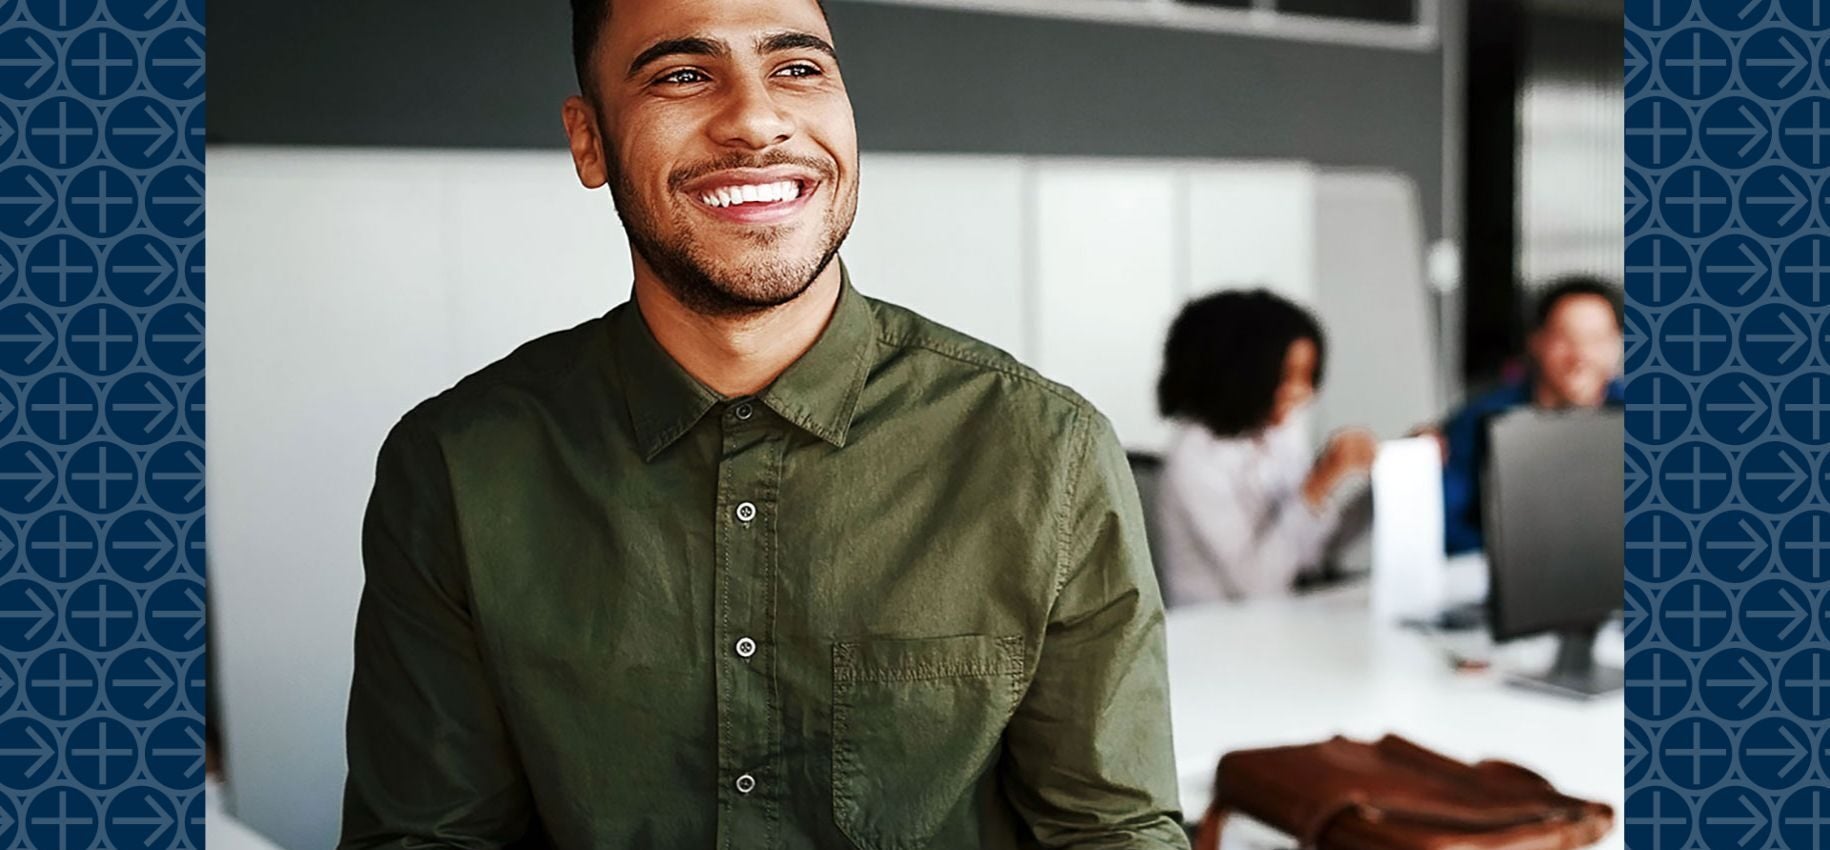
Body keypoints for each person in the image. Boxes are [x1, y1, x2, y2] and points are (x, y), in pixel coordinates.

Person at [337, 1, 1189, 848]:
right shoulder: (457, 468)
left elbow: (1110, 832)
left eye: (797, 68)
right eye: (681, 74)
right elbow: (427, 835)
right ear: (589, 141)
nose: (755, 118)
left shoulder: (1046, 451)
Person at [1152, 290, 1377, 606]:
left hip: (1280, 620)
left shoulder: (1278, 432)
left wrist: (1386, 485)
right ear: (1241, 375)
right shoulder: (1193, 459)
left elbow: (1313, 551)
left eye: (1308, 377)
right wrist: (1318, 483)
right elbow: (1259, 586)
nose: (1303, 393)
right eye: (1288, 377)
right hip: (1215, 636)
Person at [1429, 275, 1625, 555]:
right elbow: (1445, 521)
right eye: (1565, 338)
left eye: (1596, 339)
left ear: (1616, 345)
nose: (1580, 357)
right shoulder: (1482, 418)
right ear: (1537, 341)